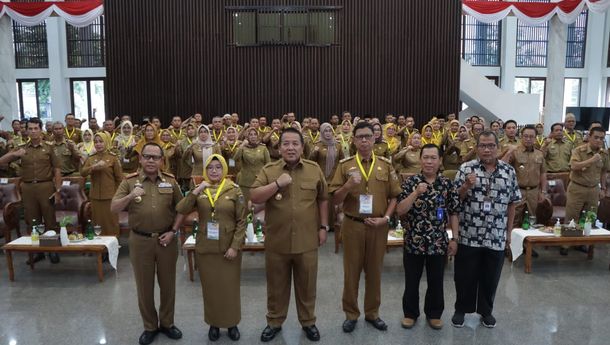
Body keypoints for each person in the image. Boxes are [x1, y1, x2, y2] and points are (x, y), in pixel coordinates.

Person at [250, 127, 329, 342]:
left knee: (307, 285)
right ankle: (274, 322)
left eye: (295, 143)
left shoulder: (314, 170)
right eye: (286, 143)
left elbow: (323, 199)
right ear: (279, 147)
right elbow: (255, 196)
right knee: (276, 286)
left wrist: (323, 227)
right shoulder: (269, 170)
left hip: (307, 240)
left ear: (303, 147)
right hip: (277, 241)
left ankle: (308, 322)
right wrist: (276, 184)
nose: (291, 147)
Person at [329, 122, 401, 333]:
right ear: (353, 139)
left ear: (374, 138)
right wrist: (348, 186)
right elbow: (334, 199)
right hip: (353, 225)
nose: (363, 140)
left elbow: (395, 196)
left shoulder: (386, 165)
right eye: (359, 136)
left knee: (374, 272)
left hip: (378, 226)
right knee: (351, 273)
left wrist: (386, 219)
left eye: (368, 136)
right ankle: (351, 314)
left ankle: (372, 313)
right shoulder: (345, 166)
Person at [111, 143, 184, 345]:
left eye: (155, 157)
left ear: (162, 160)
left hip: (166, 241)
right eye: (147, 157)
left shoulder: (170, 182)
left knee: (168, 285)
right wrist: (130, 196)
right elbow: (113, 207)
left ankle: (167, 323)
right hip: (140, 241)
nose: (151, 161)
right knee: (144, 287)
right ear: (141, 159)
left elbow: (182, 208)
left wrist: (173, 231)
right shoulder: (129, 182)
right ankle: (150, 326)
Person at [452, 131, 521, 328]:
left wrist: (509, 234)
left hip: (496, 235)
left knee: (491, 277)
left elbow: (512, 205)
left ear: (498, 148)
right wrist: (466, 185)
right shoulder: (466, 168)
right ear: (477, 148)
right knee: (465, 275)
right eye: (483, 145)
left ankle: (486, 311)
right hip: (469, 234)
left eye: (491, 145)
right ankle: (461, 309)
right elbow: (455, 200)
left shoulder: (508, 171)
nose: (487, 149)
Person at [176, 154, 246, 341]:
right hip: (206, 248)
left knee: (230, 289)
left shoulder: (234, 190)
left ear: (224, 169)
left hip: (228, 248)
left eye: (218, 167)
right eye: (210, 168)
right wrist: (197, 190)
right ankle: (214, 324)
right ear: (205, 170)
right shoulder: (200, 190)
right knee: (211, 289)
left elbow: (241, 221)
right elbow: (181, 209)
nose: (214, 171)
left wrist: (235, 246)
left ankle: (232, 324)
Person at [396, 144, 460, 330]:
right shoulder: (410, 182)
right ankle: (410, 314)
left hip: (438, 241)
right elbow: (400, 210)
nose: (429, 161)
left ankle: (434, 314)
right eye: (426, 157)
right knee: (412, 280)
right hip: (414, 241)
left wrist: (455, 239)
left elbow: (454, 213)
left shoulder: (447, 184)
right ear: (420, 159)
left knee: (436, 280)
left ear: (440, 161)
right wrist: (416, 193)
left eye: (433, 158)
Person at [0, 117, 62, 263]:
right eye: (30, 129)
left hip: (46, 186)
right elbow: (1, 161)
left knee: (49, 220)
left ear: (41, 130)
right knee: (32, 221)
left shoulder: (49, 147)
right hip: (27, 188)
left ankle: (52, 250)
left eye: (36, 128)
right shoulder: (21, 148)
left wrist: (58, 190)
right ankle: (36, 251)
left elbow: (57, 170)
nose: (33, 131)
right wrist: (14, 155)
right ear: (26, 130)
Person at [562, 127, 609, 255]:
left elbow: (604, 172)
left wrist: (603, 188)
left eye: (601, 138)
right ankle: (566, 244)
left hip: (594, 189)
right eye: (596, 137)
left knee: (590, 217)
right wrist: (591, 160)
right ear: (589, 136)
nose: (599, 140)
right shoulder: (579, 150)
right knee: (572, 217)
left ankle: (583, 243)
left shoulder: (604, 154)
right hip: (577, 188)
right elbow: (573, 166)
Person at [502, 126, 547, 227]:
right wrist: (509, 152)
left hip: (534, 192)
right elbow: (502, 166)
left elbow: (543, 173)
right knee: (514, 220)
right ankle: (511, 242)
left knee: (532, 219)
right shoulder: (515, 151)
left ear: (535, 138)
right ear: (521, 137)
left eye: (531, 137)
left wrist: (543, 191)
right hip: (517, 191)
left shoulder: (539, 154)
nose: (528, 139)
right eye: (525, 136)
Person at [80, 132, 123, 236]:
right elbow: (83, 173)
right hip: (95, 196)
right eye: (96, 142)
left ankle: (113, 244)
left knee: (111, 222)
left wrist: (116, 195)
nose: (98, 144)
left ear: (106, 142)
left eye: (101, 142)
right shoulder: (91, 158)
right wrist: (93, 167)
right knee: (97, 222)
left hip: (110, 196)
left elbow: (119, 179)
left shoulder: (113, 158)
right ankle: (99, 247)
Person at [309, 123, 343, 231]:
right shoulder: (317, 144)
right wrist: (314, 152)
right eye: (325, 131)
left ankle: (333, 225)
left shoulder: (338, 145)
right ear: (322, 133)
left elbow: (342, 161)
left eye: (329, 131)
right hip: (322, 178)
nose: (328, 133)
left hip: (335, 178)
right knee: (324, 201)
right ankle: (323, 224)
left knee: (334, 202)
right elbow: (310, 162)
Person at [234, 126, 270, 201]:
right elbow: (232, 161)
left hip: (260, 181)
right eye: (250, 134)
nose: (253, 136)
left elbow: (268, 165)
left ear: (257, 136)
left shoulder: (263, 148)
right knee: (244, 205)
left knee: (259, 205)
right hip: (245, 182)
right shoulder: (242, 148)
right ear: (247, 137)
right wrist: (242, 146)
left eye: (255, 134)